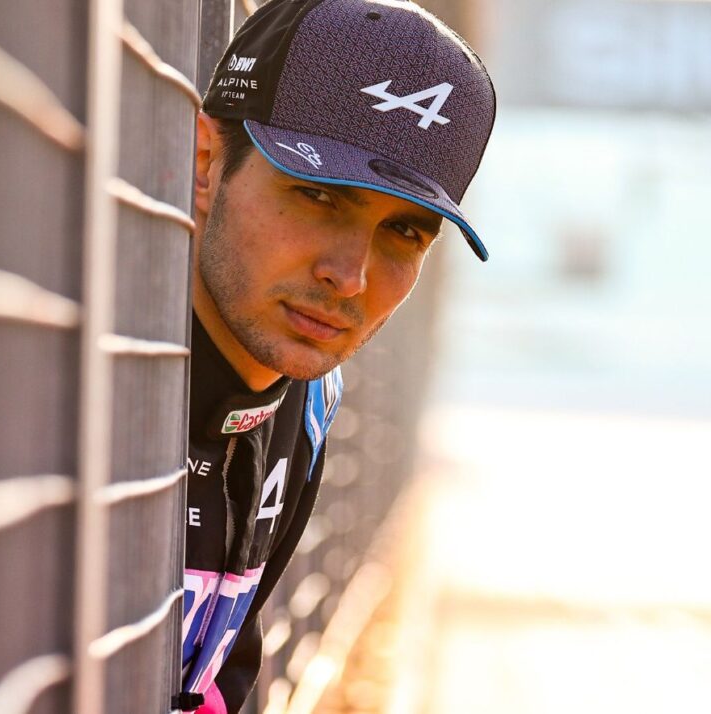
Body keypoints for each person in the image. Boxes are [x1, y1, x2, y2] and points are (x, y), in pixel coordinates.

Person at [175, 0, 495, 711]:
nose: (349, 277)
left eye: (405, 234)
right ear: (205, 164)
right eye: (319, 194)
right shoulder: (83, 379)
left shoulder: (310, 400)